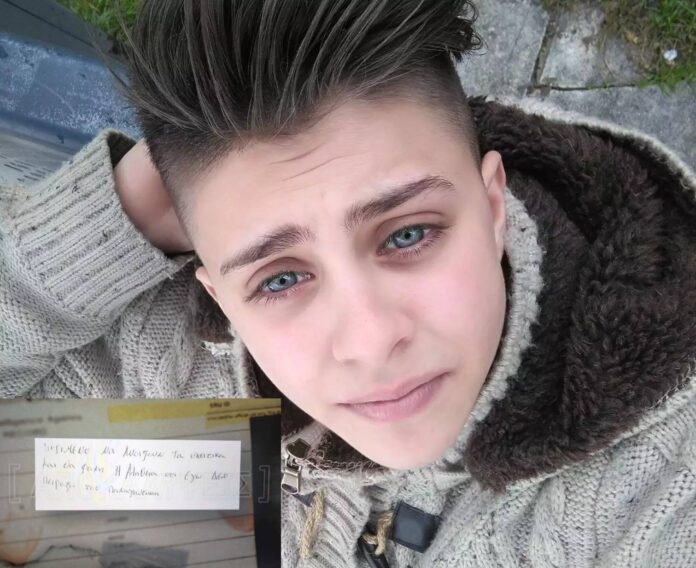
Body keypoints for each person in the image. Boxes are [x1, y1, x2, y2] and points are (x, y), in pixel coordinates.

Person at [1, 0, 695, 566]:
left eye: (407, 234)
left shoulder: (660, 488)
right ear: (222, 299)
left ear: (491, 208)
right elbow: (15, 486)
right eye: (280, 278)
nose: (370, 340)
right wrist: (114, 218)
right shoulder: (184, 380)